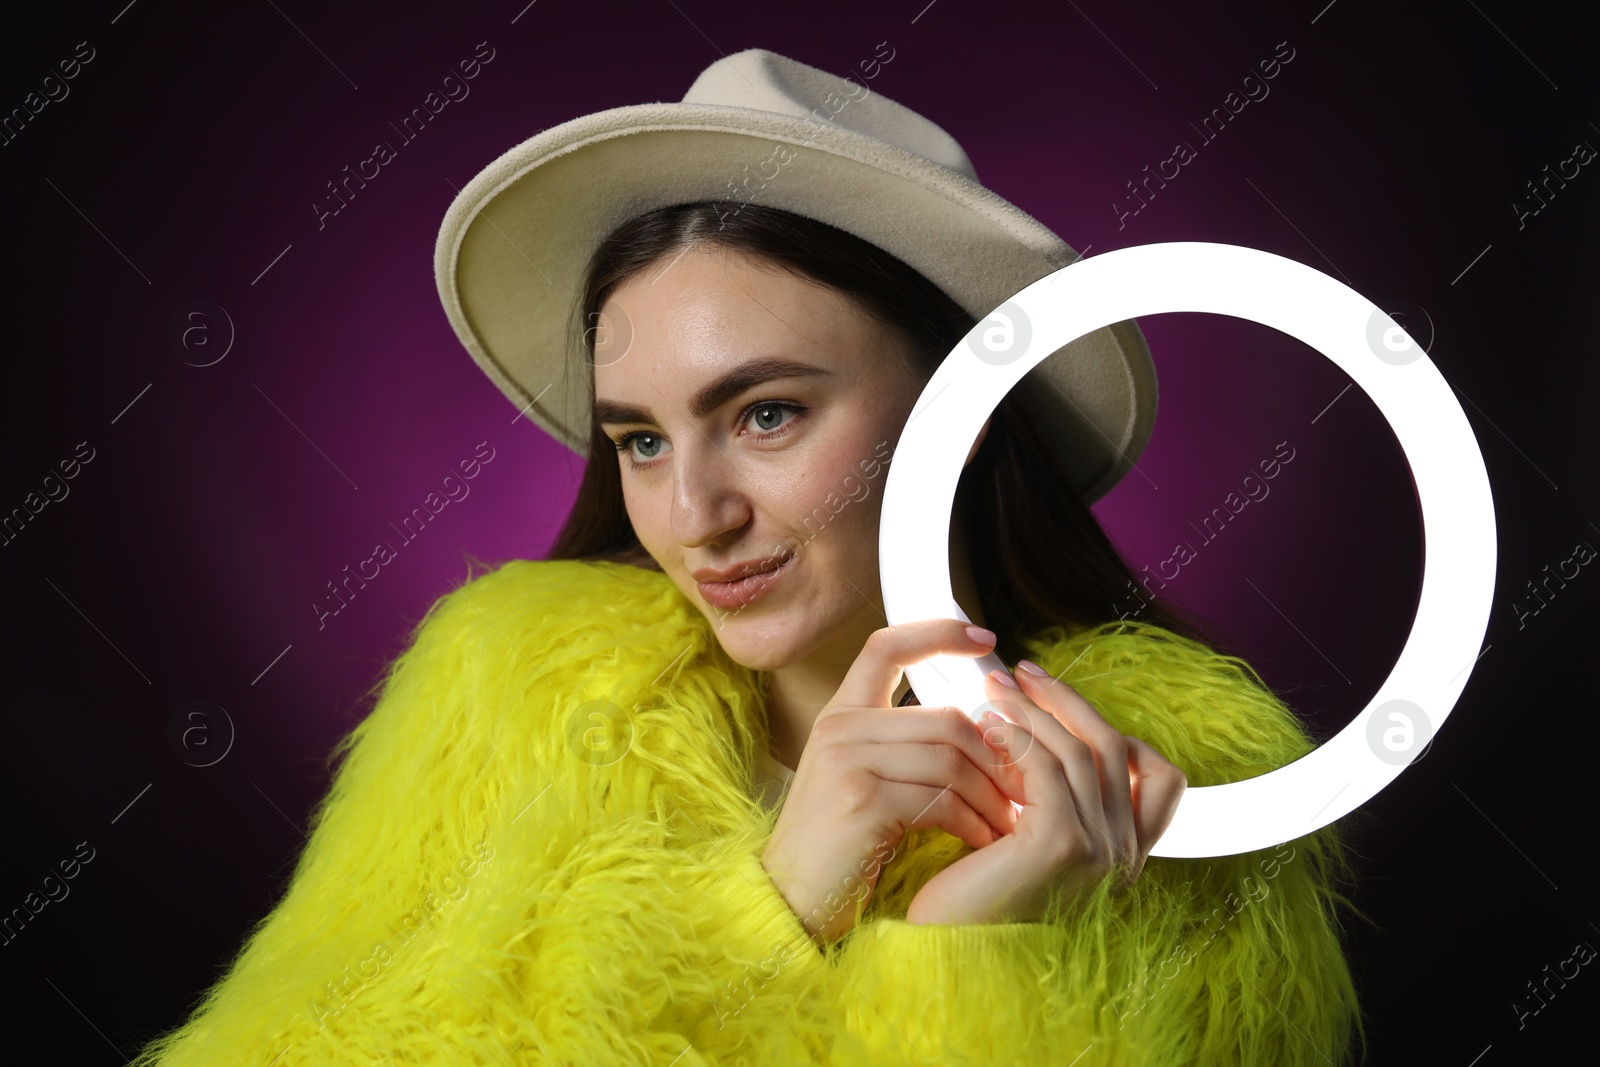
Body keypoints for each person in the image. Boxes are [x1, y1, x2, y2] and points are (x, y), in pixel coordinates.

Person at [131, 49, 1368, 1066]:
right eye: (640, 437)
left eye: (765, 412)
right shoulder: (504, 699)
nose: (694, 514)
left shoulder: (1180, 804)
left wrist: (971, 951)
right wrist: (770, 909)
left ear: (961, 410)